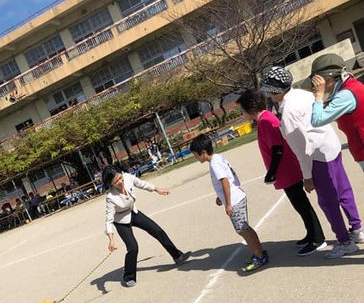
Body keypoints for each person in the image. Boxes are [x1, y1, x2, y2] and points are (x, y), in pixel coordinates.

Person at [260, 66, 361, 259]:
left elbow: (301, 150)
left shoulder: (288, 112)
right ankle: (357, 229)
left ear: (274, 90)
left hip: (317, 156)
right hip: (330, 145)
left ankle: (344, 241)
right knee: (343, 190)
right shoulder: (302, 94)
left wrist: (307, 177)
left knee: (328, 201)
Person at [236, 89, 326, 256]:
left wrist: (272, 172)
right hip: (286, 170)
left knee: (301, 204)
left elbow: (277, 148)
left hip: (287, 170)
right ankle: (311, 233)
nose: (242, 113)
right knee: (299, 204)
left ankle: (318, 238)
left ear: (250, 108)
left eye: (242, 109)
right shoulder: (264, 118)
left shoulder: (265, 121)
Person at [190, 134, 269, 273]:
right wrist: (220, 197)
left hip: (235, 200)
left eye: (196, 155)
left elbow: (225, 182)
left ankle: (259, 256)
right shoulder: (217, 158)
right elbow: (228, 180)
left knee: (242, 229)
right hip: (236, 196)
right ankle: (259, 252)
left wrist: (228, 203)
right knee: (245, 228)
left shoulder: (214, 163)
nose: (195, 158)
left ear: (203, 152)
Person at [103, 166, 190, 287]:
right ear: (110, 183)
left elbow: (142, 184)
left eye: (120, 177)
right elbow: (109, 219)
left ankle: (178, 256)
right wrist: (111, 239)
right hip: (121, 220)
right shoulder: (110, 197)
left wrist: (157, 189)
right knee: (133, 247)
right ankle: (128, 277)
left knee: (157, 230)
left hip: (133, 212)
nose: (120, 181)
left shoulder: (128, 178)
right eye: (116, 181)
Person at [309, 53, 364, 184]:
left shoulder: (346, 95)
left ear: (328, 79)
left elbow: (317, 120)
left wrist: (319, 95)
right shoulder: (349, 87)